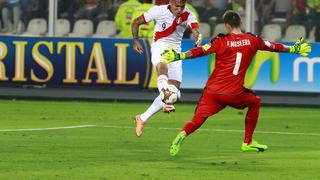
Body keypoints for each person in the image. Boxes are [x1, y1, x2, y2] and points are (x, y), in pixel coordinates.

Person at [161, 10, 311, 156]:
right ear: (241, 22)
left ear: (227, 25)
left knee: (198, 119)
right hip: (234, 93)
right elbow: (273, 47)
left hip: (212, 91)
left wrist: (178, 56)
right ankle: (247, 142)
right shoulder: (253, 40)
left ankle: (182, 134)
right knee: (255, 102)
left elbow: (200, 51)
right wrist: (293, 49)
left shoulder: (220, 41)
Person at [132, 0, 202, 137]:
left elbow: (195, 29)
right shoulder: (158, 11)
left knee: (176, 91)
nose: (180, 9)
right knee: (162, 66)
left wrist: (198, 37)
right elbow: (136, 22)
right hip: (159, 46)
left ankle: (142, 118)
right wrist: (135, 40)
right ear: (170, 3)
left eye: (182, 6)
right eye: (177, 6)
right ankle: (166, 101)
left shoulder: (188, 14)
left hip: (176, 52)